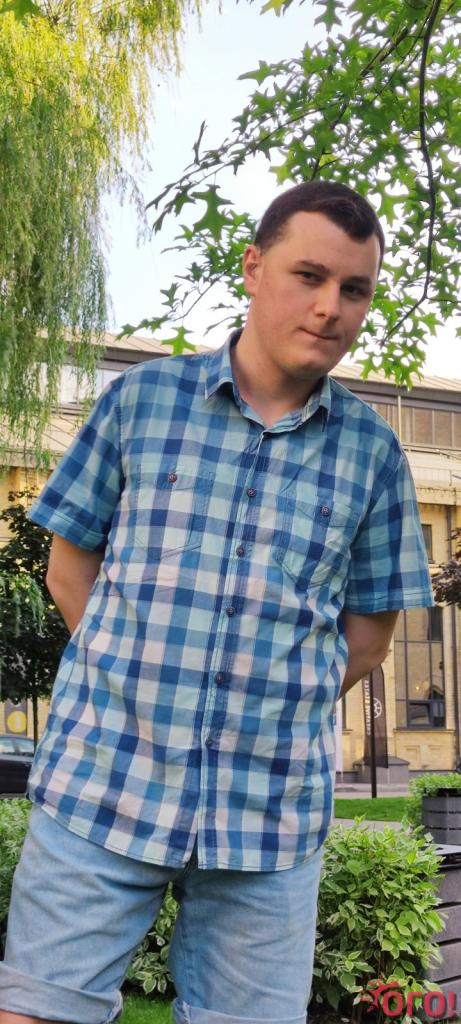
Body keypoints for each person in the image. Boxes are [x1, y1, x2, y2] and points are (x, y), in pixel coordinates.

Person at [0, 181, 434, 1024]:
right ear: (253, 267)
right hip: (103, 782)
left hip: (267, 818)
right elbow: (67, 565)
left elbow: (369, 639)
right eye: (308, 275)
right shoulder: (141, 402)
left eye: (353, 289)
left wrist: (273, 708)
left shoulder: (374, 456)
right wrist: (125, 680)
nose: (329, 307)